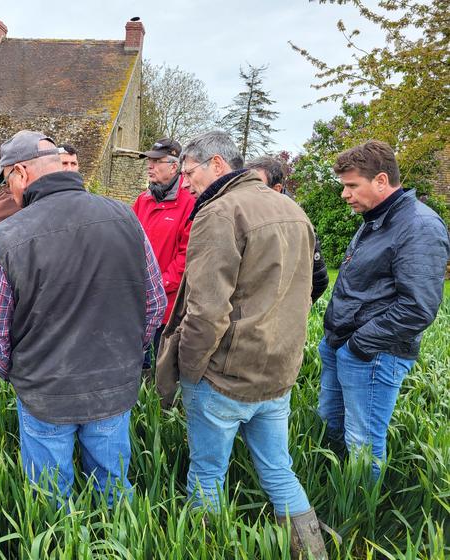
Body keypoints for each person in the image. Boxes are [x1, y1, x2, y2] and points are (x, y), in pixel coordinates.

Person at [157, 131, 329, 559]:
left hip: (225, 375)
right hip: (277, 373)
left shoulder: (219, 213)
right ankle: (312, 552)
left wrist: (190, 371)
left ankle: (206, 548)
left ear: (217, 164)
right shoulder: (293, 209)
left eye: (189, 172)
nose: (185, 183)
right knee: (277, 469)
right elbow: (308, 291)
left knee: (208, 475)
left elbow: (206, 312)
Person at [0, 130, 166, 506]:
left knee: (50, 501)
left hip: (44, 393)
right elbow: (155, 305)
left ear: (21, 174)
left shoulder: (8, 238)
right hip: (112, 385)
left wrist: (24, 374)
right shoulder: (125, 217)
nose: (9, 192)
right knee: (113, 493)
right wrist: (125, 356)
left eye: (7, 181)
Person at [318, 140, 449, 480]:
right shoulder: (376, 218)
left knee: (362, 441)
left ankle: (362, 514)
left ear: (380, 180)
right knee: (330, 423)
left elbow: (418, 307)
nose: (345, 195)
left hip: (374, 354)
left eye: (351, 186)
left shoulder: (419, 226)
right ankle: (332, 488)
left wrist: (359, 346)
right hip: (341, 344)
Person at [132, 138, 195, 377]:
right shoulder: (142, 201)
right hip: (137, 303)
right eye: (149, 161)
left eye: (157, 161)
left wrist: (155, 287)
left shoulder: (189, 205)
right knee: (137, 366)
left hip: (167, 309)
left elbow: (186, 259)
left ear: (174, 166)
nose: (150, 166)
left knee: (162, 372)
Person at [247, 155, 329, 302]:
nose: (248, 192)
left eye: (257, 185)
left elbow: (319, 279)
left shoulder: (298, 223)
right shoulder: (246, 215)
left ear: (276, 189)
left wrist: (294, 311)